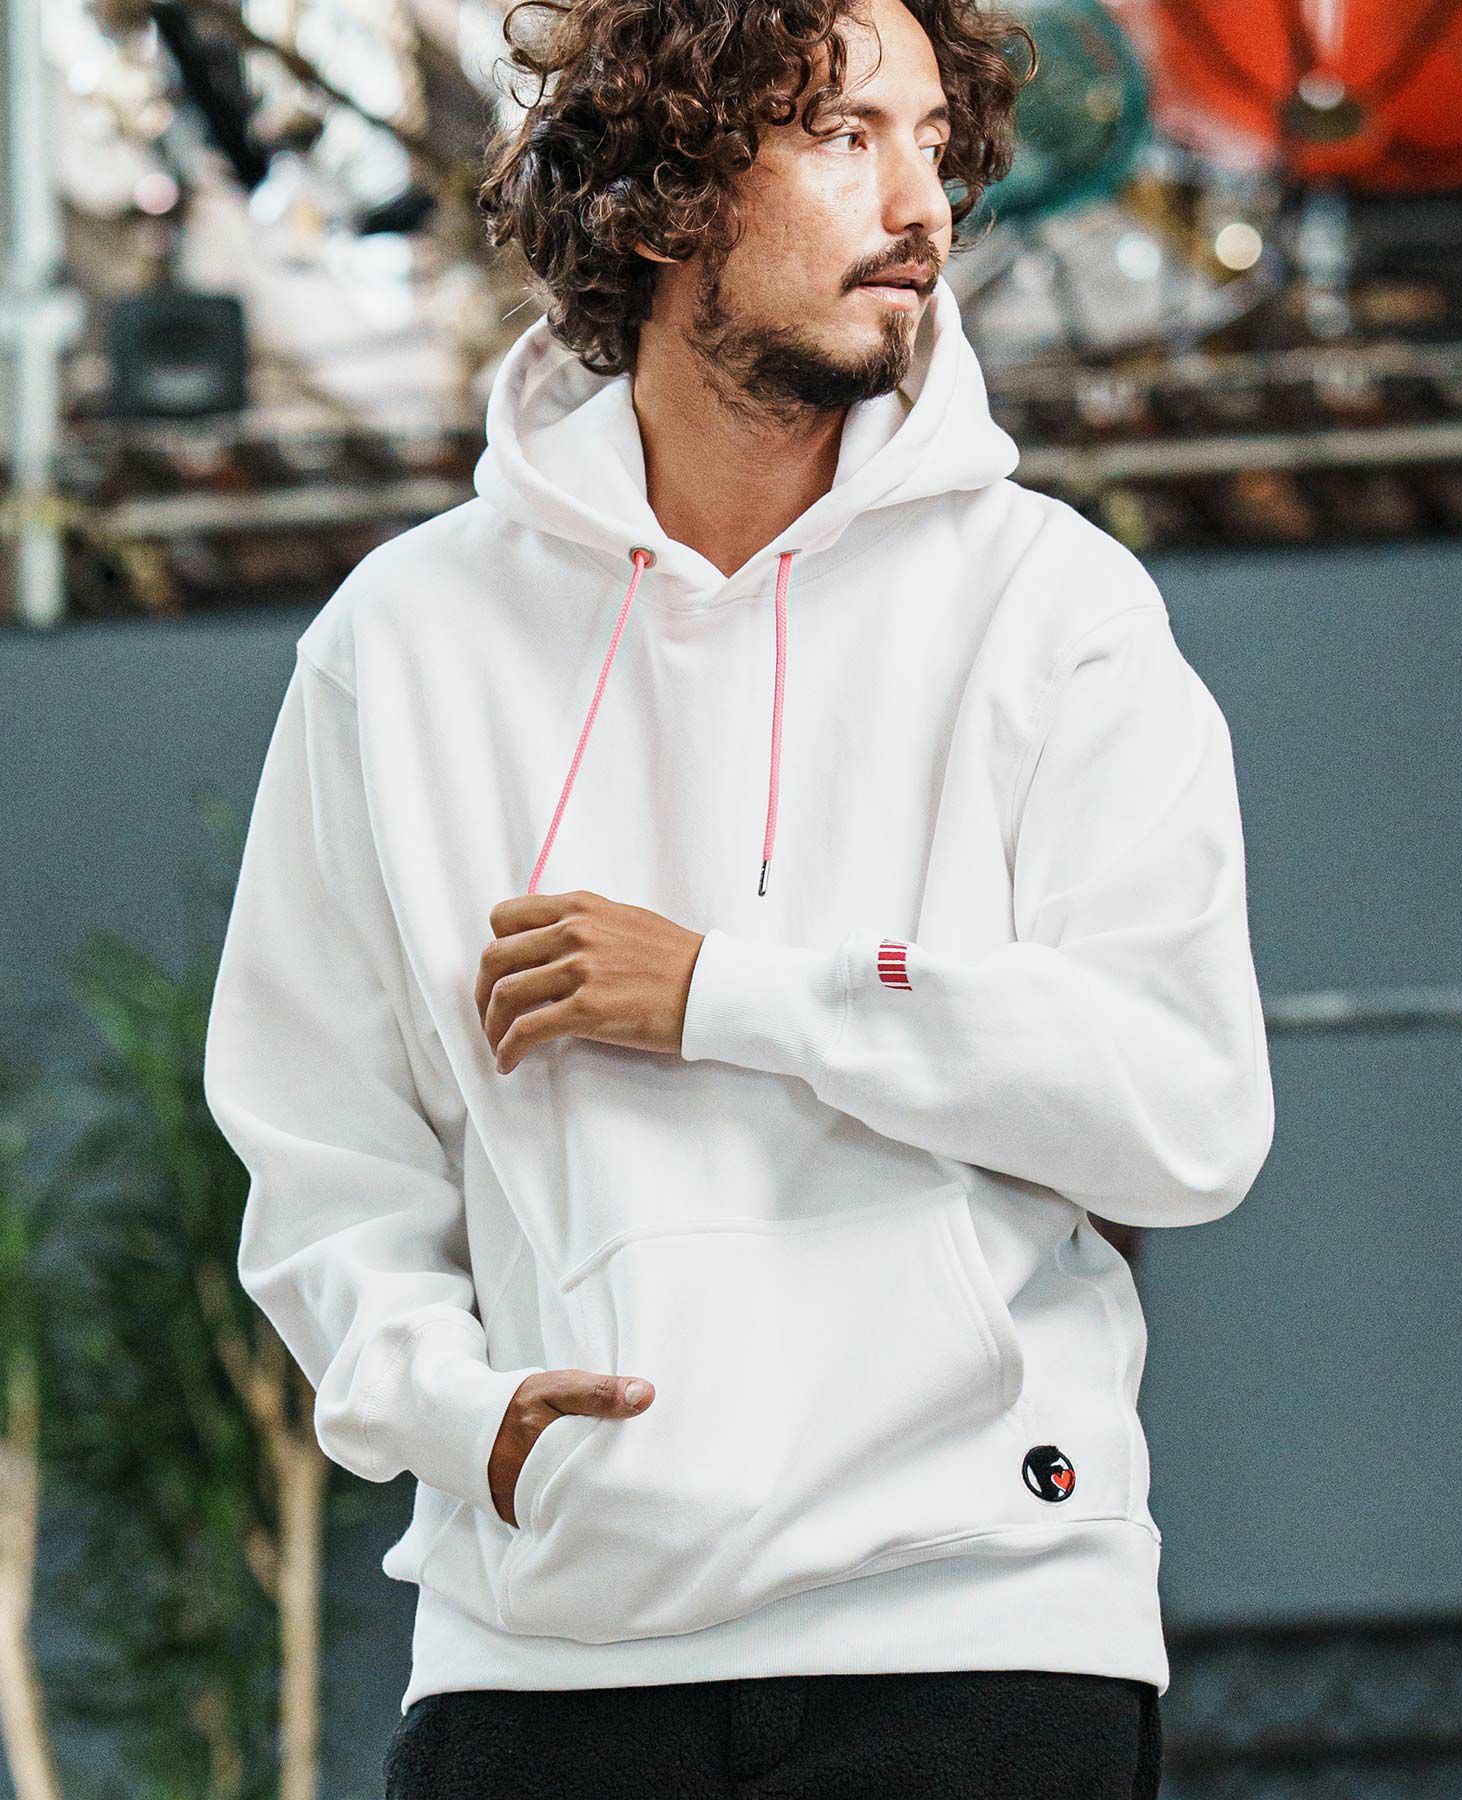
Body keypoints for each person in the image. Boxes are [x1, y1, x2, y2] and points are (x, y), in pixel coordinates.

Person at [202, 0, 1276, 1792]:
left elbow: (1187, 1108)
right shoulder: (404, 645)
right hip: (546, 1661)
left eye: (934, 142)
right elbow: (321, 1146)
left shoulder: (1056, 611)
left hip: (981, 1633)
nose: (919, 204)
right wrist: (465, 1418)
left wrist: (730, 993)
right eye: (845, 136)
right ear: (664, 189)